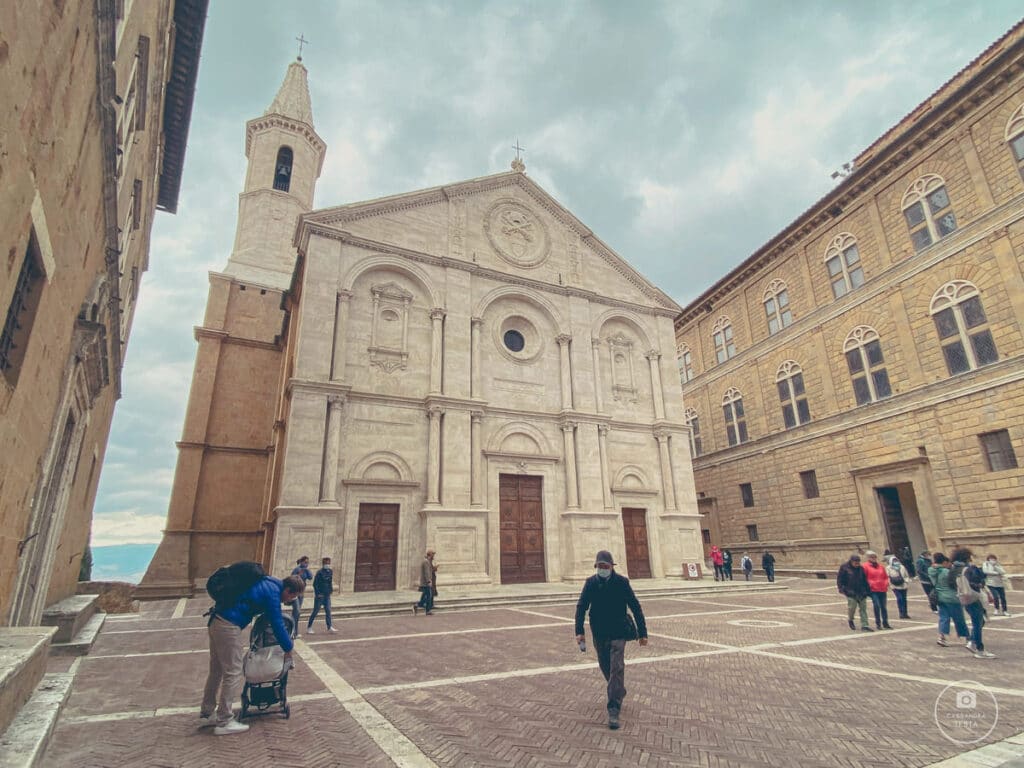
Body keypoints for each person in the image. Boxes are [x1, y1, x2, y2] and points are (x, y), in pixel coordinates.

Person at [201, 573, 304, 735]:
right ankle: (224, 721)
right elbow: (277, 624)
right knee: (233, 671)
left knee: (217, 670)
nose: (289, 601)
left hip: (216, 620)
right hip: (228, 625)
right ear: (288, 590)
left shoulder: (268, 581)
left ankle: (207, 712)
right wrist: (289, 648)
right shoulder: (273, 594)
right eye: (292, 597)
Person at [574, 550, 648, 730]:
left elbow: (635, 606)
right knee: (605, 666)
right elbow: (581, 606)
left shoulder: (622, 583)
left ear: (611, 566)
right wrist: (579, 631)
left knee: (617, 666)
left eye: (605, 566)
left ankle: (613, 708)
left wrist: (642, 632)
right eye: (599, 567)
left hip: (618, 631)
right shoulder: (591, 583)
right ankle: (618, 690)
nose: (602, 569)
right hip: (599, 631)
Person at [955, 548, 995, 659]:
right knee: (978, 623)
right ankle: (979, 648)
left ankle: (972, 642)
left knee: (979, 621)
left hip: (964, 597)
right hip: (973, 597)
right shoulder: (969, 569)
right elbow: (979, 581)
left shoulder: (956, 569)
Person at [929, 552, 970, 648]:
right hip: (951, 597)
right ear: (944, 562)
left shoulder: (932, 571)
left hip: (939, 596)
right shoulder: (946, 572)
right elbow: (955, 584)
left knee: (944, 617)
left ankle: (942, 637)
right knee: (959, 618)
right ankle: (967, 637)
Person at [836, 554, 872, 631]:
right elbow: (840, 579)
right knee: (852, 608)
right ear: (851, 561)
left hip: (861, 592)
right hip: (850, 592)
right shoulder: (844, 568)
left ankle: (865, 625)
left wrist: (868, 591)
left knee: (863, 609)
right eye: (855, 562)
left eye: (858, 562)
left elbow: (865, 580)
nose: (857, 564)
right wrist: (842, 589)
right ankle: (850, 619)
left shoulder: (861, 569)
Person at [306, 557, 336, 634]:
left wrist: (331, 590)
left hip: (327, 595)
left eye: (328, 563)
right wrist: (318, 593)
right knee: (315, 611)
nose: (327, 565)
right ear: (323, 564)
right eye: (326, 563)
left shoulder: (330, 571)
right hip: (320, 595)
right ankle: (309, 627)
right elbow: (315, 584)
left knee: (328, 611)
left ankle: (329, 627)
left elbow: (330, 582)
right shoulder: (319, 572)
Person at [862, 551, 891, 629]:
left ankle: (886, 623)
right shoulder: (865, 566)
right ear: (868, 558)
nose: (874, 558)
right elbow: (864, 578)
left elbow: (885, 577)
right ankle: (878, 623)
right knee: (877, 606)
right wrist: (869, 584)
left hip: (882, 588)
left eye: (875, 557)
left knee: (884, 607)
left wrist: (886, 583)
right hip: (873, 590)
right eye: (872, 557)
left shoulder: (881, 567)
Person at [290, 555, 313, 637]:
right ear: (302, 562)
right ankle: (292, 631)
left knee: (297, 613)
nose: (306, 564)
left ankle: (294, 631)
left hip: (301, 593)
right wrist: (298, 575)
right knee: (297, 612)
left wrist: (307, 570)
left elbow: (310, 577)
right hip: (295, 593)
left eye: (308, 563)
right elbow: (291, 578)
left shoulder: (306, 570)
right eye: (305, 562)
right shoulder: (297, 569)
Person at [886, 554, 911, 619]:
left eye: (896, 560)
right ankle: (901, 613)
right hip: (895, 586)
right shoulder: (888, 568)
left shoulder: (902, 567)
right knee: (899, 598)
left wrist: (906, 581)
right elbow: (888, 577)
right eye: (894, 560)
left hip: (903, 585)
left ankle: (905, 613)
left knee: (904, 599)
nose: (895, 562)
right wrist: (891, 585)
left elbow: (906, 575)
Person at [413, 549, 436, 615]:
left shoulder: (428, 561)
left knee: (425, 595)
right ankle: (427, 610)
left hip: (426, 582)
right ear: (430, 555)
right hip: (426, 583)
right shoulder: (426, 562)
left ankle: (417, 605)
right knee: (429, 595)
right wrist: (429, 581)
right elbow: (426, 572)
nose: (433, 556)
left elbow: (429, 571)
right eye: (433, 554)